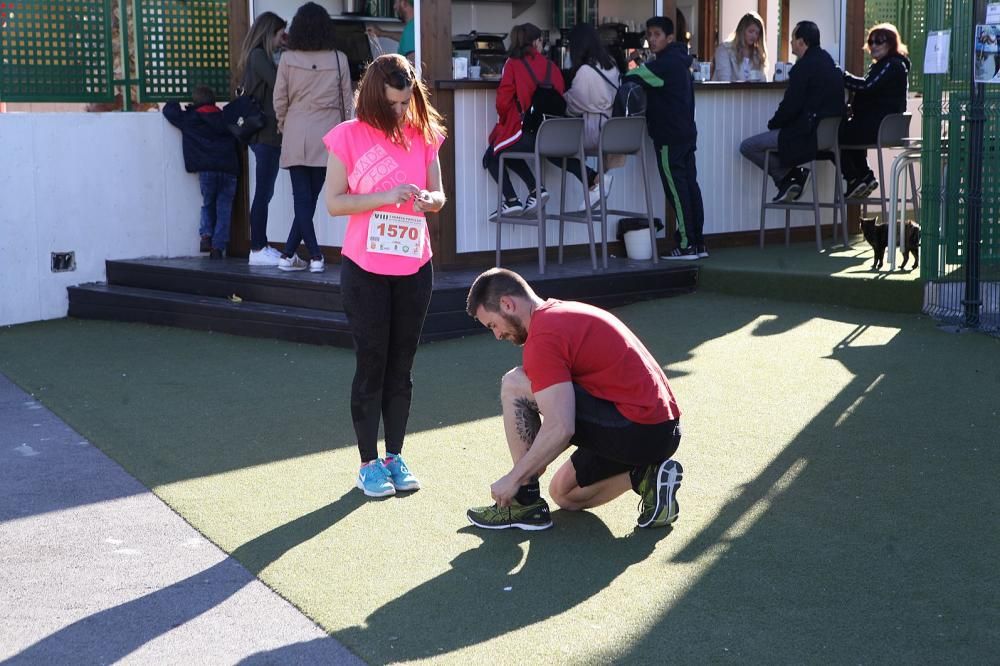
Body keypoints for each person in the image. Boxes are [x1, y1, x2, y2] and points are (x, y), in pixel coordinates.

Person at [464, 268, 684, 531]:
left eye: (493, 325)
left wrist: (516, 478)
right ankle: (647, 477)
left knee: (515, 384)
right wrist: (534, 461)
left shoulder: (544, 336)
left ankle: (525, 502)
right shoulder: (560, 313)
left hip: (637, 426)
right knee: (564, 493)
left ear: (507, 304)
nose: (497, 335)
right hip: (661, 431)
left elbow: (562, 426)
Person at [323, 53, 447, 497]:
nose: (399, 111)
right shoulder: (348, 136)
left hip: (415, 265)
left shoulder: (425, 134)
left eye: (405, 102)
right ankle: (367, 463)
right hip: (364, 270)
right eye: (392, 103)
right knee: (371, 363)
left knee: (402, 366)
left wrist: (428, 200)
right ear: (375, 95)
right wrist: (384, 195)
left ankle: (395, 454)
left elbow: (440, 195)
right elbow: (334, 202)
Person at [483, 23, 611, 220]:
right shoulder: (552, 66)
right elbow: (561, 98)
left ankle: (513, 199)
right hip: (553, 134)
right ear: (535, 42)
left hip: (528, 133)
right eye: (541, 41)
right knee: (549, 152)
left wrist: (506, 121)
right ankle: (591, 177)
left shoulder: (513, 63)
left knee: (493, 153)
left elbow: (502, 102)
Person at [273, 2, 354, 274]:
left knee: (302, 199)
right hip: (328, 133)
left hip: (296, 129)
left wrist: (286, 125)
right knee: (312, 198)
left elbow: (279, 100)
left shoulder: (287, 59)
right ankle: (315, 256)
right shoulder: (338, 58)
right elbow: (347, 103)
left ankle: (290, 255)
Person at [625, 16, 706, 260]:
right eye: (649, 34)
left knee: (677, 191)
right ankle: (698, 243)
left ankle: (685, 244)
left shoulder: (665, 64)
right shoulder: (679, 60)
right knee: (690, 188)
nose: (651, 39)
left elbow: (632, 77)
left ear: (670, 38)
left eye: (657, 34)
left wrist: (631, 62)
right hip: (685, 133)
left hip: (669, 137)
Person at [739, 21, 845, 204]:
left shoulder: (803, 68)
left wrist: (774, 124)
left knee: (748, 146)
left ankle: (790, 175)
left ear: (802, 42)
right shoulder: (831, 64)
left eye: (793, 39)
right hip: (828, 137)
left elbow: (790, 106)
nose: (790, 42)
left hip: (805, 135)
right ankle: (791, 177)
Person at [163, 86, 239, 260]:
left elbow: (169, 110)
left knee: (208, 203)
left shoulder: (191, 118)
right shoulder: (225, 117)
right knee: (224, 209)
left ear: (195, 101)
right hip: (229, 168)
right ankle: (218, 247)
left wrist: (176, 96)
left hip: (207, 170)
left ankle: (206, 235)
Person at [238, 12, 288, 267]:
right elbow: (280, 83)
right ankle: (257, 247)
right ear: (270, 33)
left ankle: (261, 245)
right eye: (281, 35)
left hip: (268, 136)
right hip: (265, 135)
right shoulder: (258, 55)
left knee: (264, 193)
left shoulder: (260, 55)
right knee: (263, 194)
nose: (283, 40)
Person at [840, 23, 910, 199]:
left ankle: (855, 177)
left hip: (879, 127)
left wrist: (840, 76)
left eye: (879, 41)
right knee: (849, 129)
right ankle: (865, 176)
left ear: (892, 44)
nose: (874, 45)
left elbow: (867, 86)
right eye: (871, 41)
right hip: (880, 126)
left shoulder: (891, 64)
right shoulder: (889, 65)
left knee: (836, 133)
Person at [563, 23, 625, 170]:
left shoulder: (585, 71)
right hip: (614, 130)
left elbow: (572, 107)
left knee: (551, 142)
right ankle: (596, 180)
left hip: (595, 134)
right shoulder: (610, 64)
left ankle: (591, 179)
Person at [712, 11, 768, 82]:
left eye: (757, 33)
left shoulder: (757, 55)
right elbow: (724, 81)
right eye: (751, 31)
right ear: (742, 30)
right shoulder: (724, 50)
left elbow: (763, 81)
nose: (754, 36)